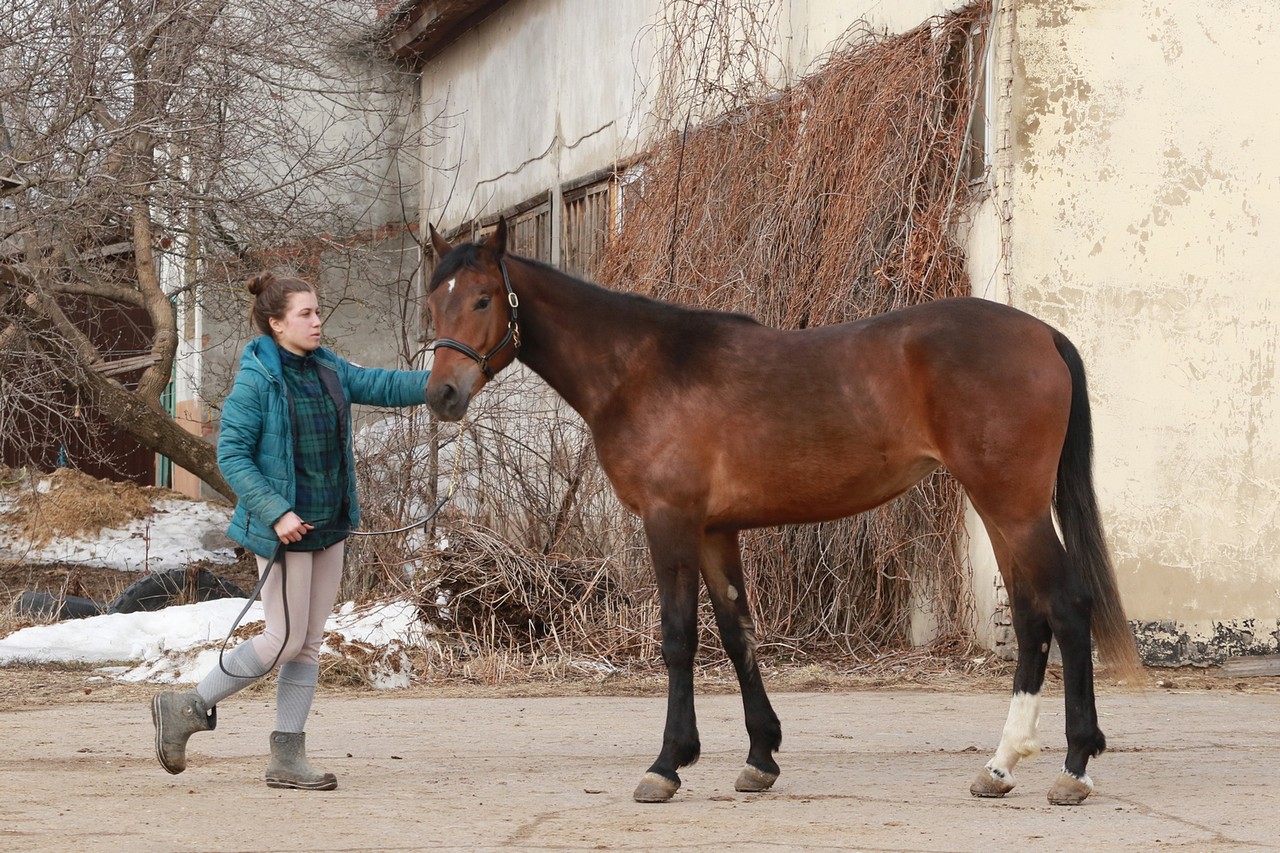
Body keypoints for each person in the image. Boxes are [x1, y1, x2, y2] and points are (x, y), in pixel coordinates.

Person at [150, 272, 430, 790]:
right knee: (283, 639)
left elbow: (384, 385)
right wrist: (277, 513)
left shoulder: (328, 367)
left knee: (307, 645)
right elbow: (232, 456)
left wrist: (446, 383)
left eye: (317, 311)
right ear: (277, 324)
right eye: (306, 314)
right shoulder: (257, 379)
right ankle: (186, 705)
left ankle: (286, 756)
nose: (317, 321)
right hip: (285, 531)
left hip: (329, 526)